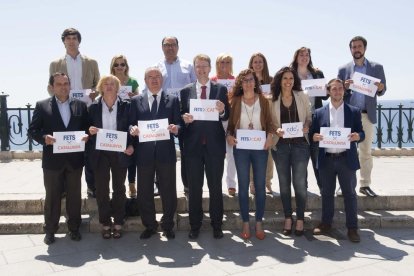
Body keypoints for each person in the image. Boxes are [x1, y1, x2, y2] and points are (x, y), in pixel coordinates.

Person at [28, 72, 89, 245]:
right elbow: (33, 131)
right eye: (59, 84)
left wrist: (87, 136)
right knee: (52, 197)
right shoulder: (41, 106)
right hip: (52, 161)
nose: (63, 87)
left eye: (66, 83)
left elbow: (87, 128)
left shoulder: (80, 106)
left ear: (70, 85)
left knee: (74, 196)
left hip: (75, 160)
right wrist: (44, 138)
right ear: (52, 87)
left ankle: (74, 228)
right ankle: (50, 230)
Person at [180, 54, 230, 239]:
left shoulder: (220, 89)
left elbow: (226, 116)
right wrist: (184, 119)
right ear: (194, 69)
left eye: (204, 66)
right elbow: (179, 116)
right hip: (193, 147)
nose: (201, 69)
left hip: (215, 147)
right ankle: (195, 225)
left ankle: (217, 224)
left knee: (215, 187)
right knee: (194, 188)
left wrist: (223, 110)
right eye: (198, 66)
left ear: (210, 68)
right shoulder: (185, 91)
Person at [129, 67, 180, 240]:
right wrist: (132, 129)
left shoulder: (172, 100)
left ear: (162, 79)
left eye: (157, 76)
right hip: (144, 154)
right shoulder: (136, 101)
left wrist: (176, 128)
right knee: (144, 192)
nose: (154, 80)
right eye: (150, 77)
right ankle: (150, 225)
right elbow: (130, 124)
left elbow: (179, 123)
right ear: (145, 80)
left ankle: (168, 225)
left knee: (168, 191)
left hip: (166, 153)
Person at [311, 78, 365, 243]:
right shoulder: (319, 113)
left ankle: (352, 228)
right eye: (334, 89)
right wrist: (314, 136)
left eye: (340, 88)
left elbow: (361, 133)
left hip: (345, 159)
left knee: (349, 194)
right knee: (326, 193)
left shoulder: (353, 111)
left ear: (344, 90)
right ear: (328, 91)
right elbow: (312, 134)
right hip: (326, 159)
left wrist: (358, 136)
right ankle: (326, 224)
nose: (337, 92)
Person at [49, 28, 100, 198]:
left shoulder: (91, 62)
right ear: (64, 41)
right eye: (68, 38)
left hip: (86, 110)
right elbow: (51, 87)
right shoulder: (55, 64)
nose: (71, 41)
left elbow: (97, 85)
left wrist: (94, 93)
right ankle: (64, 187)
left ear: (79, 41)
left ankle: (91, 186)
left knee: (89, 148)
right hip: (66, 109)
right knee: (67, 148)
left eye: (74, 38)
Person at [226, 69, 275, 240]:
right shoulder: (235, 101)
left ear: (256, 82)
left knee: (260, 185)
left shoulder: (264, 100)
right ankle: (246, 222)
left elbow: (270, 123)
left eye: (251, 80)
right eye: (245, 80)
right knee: (243, 184)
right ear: (240, 83)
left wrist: (270, 136)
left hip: (260, 147)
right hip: (241, 148)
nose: (248, 83)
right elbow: (230, 126)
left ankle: (259, 222)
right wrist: (229, 136)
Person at [338, 36, 386, 198]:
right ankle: (343, 185)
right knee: (343, 151)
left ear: (364, 48)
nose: (356, 49)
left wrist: (380, 87)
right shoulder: (343, 69)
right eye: (353, 47)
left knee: (365, 152)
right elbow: (336, 92)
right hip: (348, 115)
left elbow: (382, 90)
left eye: (359, 46)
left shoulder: (377, 67)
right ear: (350, 49)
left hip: (366, 115)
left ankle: (365, 185)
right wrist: (343, 87)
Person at [87, 75, 134, 239]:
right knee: (101, 189)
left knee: (119, 188)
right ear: (101, 87)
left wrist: (131, 145)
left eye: (112, 84)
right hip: (100, 153)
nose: (108, 86)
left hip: (120, 151)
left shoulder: (126, 106)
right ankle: (105, 222)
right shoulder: (93, 107)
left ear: (117, 87)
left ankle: (119, 221)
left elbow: (132, 127)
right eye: (105, 84)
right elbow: (87, 129)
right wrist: (90, 131)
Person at [270, 67, 311, 236]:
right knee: (284, 185)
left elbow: (309, 116)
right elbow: (268, 122)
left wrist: (307, 125)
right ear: (280, 80)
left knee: (300, 184)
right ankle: (288, 217)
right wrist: (276, 129)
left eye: (291, 78)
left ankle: (300, 218)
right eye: (285, 78)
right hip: (280, 146)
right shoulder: (271, 99)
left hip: (300, 145)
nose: (288, 81)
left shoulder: (302, 96)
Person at [156, 36, 197, 194]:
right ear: (162, 47)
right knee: (160, 149)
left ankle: (187, 185)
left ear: (178, 47)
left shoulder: (188, 66)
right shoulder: (156, 67)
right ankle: (160, 184)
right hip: (163, 110)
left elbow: (195, 87)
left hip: (183, 111)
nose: (170, 48)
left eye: (173, 45)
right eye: (166, 45)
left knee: (186, 149)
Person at [290, 47, 328, 192]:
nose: (304, 57)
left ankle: (323, 188)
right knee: (300, 158)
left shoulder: (317, 73)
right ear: (296, 57)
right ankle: (302, 190)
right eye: (301, 54)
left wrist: (326, 89)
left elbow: (324, 96)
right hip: (297, 120)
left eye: (307, 55)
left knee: (317, 155)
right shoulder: (290, 74)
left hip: (316, 119)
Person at [109, 54, 139, 198]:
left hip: (131, 118)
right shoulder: (110, 81)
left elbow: (139, 100)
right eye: (117, 64)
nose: (119, 67)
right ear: (112, 67)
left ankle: (132, 183)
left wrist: (134, 97)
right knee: (117, 155)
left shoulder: (133, 81)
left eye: (122, 64)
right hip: (115, 121)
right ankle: (117, 185)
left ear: (126, 66)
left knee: (131, 151)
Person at [211, 53, 237, 196]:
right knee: (216, 154)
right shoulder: (212, 81)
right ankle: (216, 183)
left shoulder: (236, 80)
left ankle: (231, 184)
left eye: (227, 62)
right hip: (215, 120)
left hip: (231, 119)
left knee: (231, 153)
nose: (224, 65)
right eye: (222, 62)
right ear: (217, 64)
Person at [248, 52, 274, 194]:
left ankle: (267, 181)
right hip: (250, 119)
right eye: (255, 62)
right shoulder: (247, 79)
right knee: (252, 152)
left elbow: (275, 99)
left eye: (260, 62)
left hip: (267, 120)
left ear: (264, 64)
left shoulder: (271, 80)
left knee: (267, 152)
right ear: (251, 64)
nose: (258, 64)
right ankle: (252, 182)